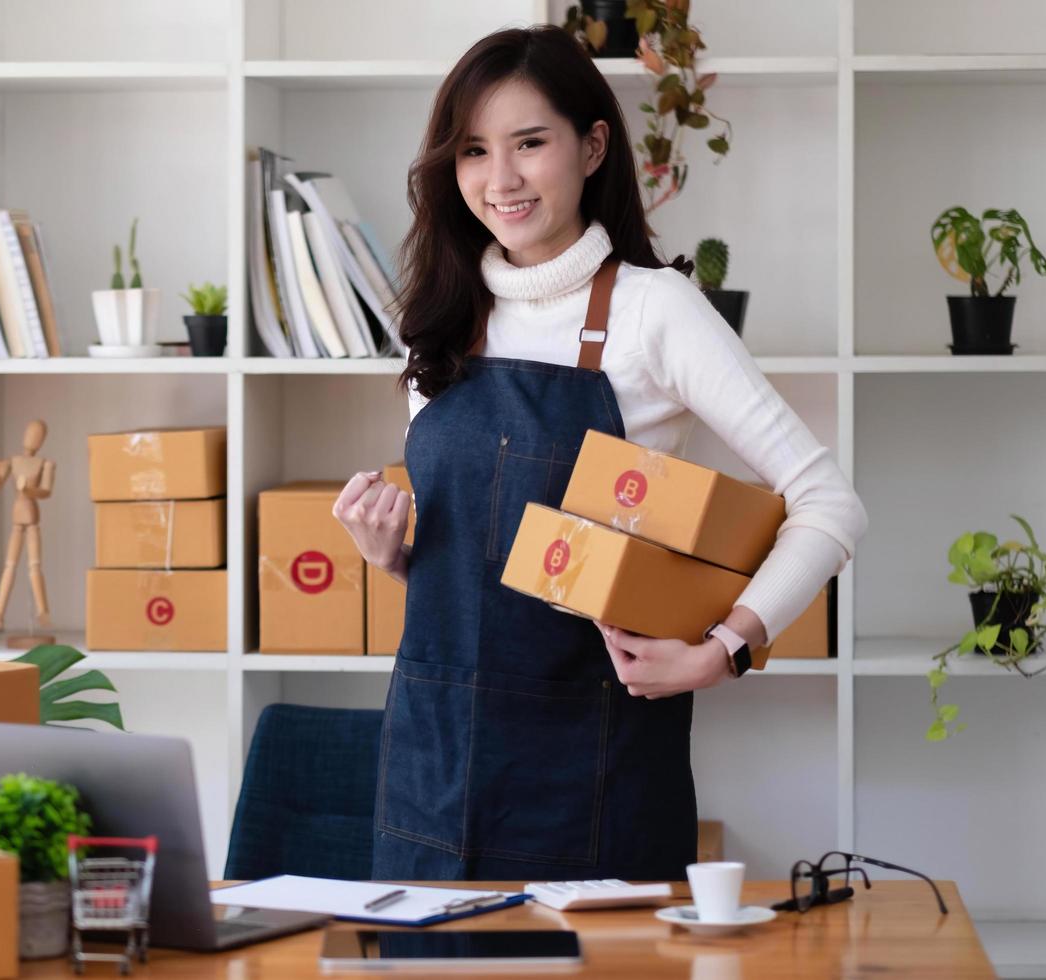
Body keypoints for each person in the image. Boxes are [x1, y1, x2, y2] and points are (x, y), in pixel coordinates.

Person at [332, 25, 868, 882]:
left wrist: (724, 649)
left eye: (529, 143)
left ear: (591, 146)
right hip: (432, 764)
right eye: (474, 150)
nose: (499, 179)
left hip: (594, 770)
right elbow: (492, 561)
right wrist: (393, 554)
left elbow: (831, 504)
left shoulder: (657, 311)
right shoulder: (442, 319)